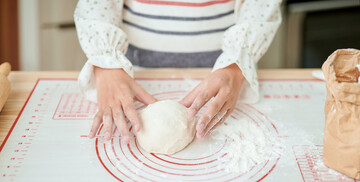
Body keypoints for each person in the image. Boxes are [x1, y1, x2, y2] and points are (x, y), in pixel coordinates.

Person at [74, 0, 282, 143]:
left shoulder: (233, 66)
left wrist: (235, 66)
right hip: (133, 76)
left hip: (225, 72)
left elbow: (259, 6)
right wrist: (105, 64)